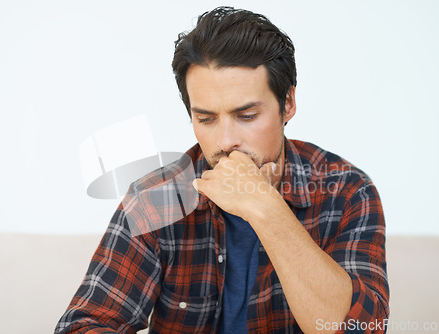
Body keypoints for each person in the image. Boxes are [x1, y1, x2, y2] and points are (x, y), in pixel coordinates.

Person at [55, 6, 389, 334]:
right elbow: (82, 325)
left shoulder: (347, 191)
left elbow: (361, 328)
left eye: (246, 116)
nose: (226, 141)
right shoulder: (155, 197)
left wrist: (265, 208)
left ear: (287, 104)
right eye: (206, 119)